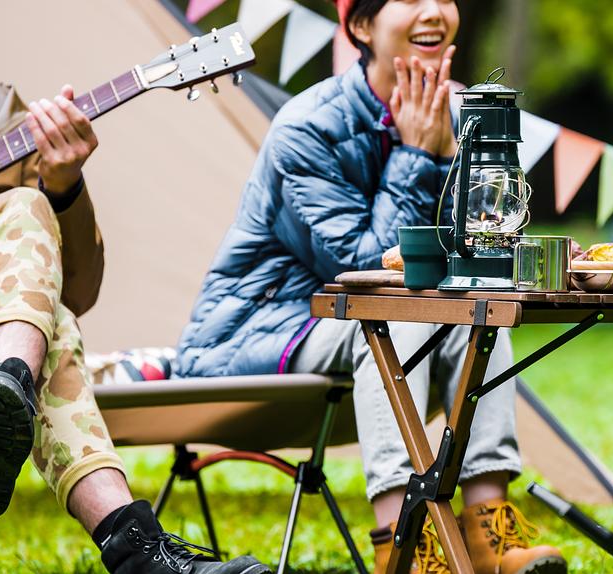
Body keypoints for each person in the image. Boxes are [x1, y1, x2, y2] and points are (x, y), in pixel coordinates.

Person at [176, 0, 566, 572]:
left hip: (354, 331)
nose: (434, 11)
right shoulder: (307, 127)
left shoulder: (455, 117)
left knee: (478, 307)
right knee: (399, 312)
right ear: (361, 26)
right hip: (257, 331)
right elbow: (364, 271)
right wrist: (415, 154)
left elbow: (467, 256)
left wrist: (457, 159)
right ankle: (402, 543)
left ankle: (490, 536)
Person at [0, 69, 269, 574]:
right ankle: (137, 553)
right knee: (45, 327)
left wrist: (62, 189)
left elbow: (74, 291)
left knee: (26, 213)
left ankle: (4, 385)